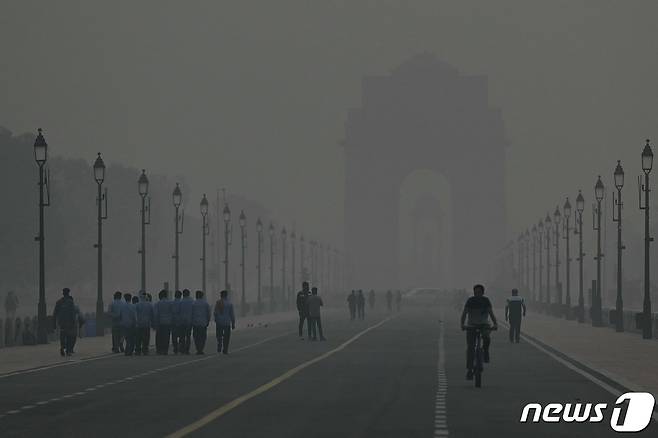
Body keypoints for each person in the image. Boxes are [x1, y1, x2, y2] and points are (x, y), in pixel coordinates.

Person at [460, 284, 498, 380]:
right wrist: (462, 325)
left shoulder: (486, 301)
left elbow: (491, 314)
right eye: (475, 292)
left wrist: (495, 324)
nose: (477, 294)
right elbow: (464, 314)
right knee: (470, 348)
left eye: (479, 292)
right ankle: (469, 369)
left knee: (486, 338)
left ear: (483, 292)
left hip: (484, 325)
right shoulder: (470, 301)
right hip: (471, 326)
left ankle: (485, 351)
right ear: (473, 293)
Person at [52, 288, 83, 356]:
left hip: (61, 323)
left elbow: (55, 313)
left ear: (63, 293)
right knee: (69, 336)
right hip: (69, 323)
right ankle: (68, 351)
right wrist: (73, 322)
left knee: (62, 336)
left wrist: (54, 323)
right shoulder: (70, 302)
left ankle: (62, 348)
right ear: (68, 293)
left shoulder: (59, 302)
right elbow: (72, 313)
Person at [214, 290, 235, 355]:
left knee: (219, 336)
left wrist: (216, 319)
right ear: (226, 295)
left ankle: (219, 345)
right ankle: (225, 349)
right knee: (226, 337)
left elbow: (215, 312)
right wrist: (233, 323)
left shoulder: (218, 302)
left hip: (219, 322)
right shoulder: (229, 303)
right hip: (227, 322)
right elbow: (232, 314)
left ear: (221, 295)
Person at [153, 289, 173, 354]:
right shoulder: (170, 303)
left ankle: (159, 350)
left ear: (160, 296)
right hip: (168, 322)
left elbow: (156, 314)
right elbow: (172, 313)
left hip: (160, 322)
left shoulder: (157, 304)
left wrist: (155, 324)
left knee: (159, 337)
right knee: (166, 337)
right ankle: (165, 350)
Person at [191, 290, 211, 354]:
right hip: (203, 322)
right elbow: (209, 313)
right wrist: (208, 321)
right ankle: (201, 348)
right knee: (203, 336)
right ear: (202, 296)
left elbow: (191, 313)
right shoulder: (205, 303)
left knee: (196, 337)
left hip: (195, 323)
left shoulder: (193, 303)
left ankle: (198, 348)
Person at [135, 291, 153, 355]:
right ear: (146, 297)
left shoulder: (137, 305)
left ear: (140, 297)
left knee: (138, 338)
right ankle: (145, 350)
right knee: (146, 338)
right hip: (147, 323)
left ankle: (138, 350)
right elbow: (152, 314)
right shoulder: (150, 305)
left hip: (139, 323)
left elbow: (135, 315)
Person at [179, 289, 194, 354]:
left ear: (183, 294)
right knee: (188, 336)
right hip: (189, 320)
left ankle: (182, 348)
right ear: (189, 294)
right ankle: (187, 349)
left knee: (182, 336)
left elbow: (178, 311)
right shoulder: (192, 301)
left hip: (182, 321)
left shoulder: (181, 301)